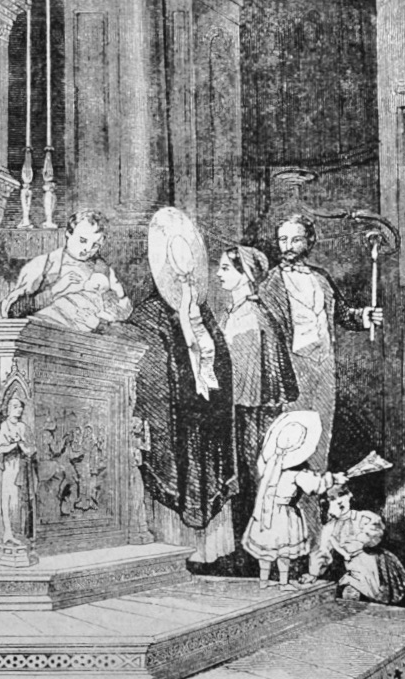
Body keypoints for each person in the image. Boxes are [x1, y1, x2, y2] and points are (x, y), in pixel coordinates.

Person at [129, 207, 236, 565]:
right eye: (177, 266)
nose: (185, 275)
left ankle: (207, 553)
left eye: (189, 266)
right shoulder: (149, 315)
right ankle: (174, 550)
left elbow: (220, 362)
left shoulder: (204, 313)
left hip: (205, 418)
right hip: (175, 419)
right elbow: (152, 372)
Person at [258, 214, 381, 476]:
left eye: (295, 239)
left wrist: (365, 316)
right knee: (294, 433)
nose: (288, 246)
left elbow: (342, 313)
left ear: (310, 241)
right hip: (293, 365)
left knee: (322, 428)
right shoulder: (270, 284)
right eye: (283, 239)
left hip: (324, 363)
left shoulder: (321, 277)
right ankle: (289, 494)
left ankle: (317, 489)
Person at [215, 245, 298, 547]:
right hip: (238, 409)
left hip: (250, 411)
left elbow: (246, 379)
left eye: (226, 268)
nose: (218, 273)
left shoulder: (252, 316)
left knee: (255, 473)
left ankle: (259, 543)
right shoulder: (235, 311)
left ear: (246, 274)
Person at [242, 410, 331, 587]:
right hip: (285, 515)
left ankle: (264, 581)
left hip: (265, 513)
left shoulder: (268, 465)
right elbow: (316, 486)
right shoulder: (295, 473)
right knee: (283, 552)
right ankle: (283, 583)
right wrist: (333, 479)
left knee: (266, 549)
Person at [3, 211, 132, 332]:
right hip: (44, 334)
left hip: (85, 341)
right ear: (69, 233)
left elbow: (121, 315)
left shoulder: (104, 271)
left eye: (95, 245)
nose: (87, 249)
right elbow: (14, 311)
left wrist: (99, 323)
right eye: (83, 240)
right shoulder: (44, 264)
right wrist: (56, 290)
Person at [305, 479, 405, 603]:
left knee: (380, 599)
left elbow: (376, 536)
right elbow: (323, 551)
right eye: (332, 499)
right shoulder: (329, 528)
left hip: (376, 565)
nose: (339, 501)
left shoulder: (364, 517)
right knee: (350, 594)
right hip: (354, 568)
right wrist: (314, 573)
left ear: (350, 495)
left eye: (342, 495)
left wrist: (365, 539)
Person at [0, 395, 33, 548]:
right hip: (9, 467)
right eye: (15, 407)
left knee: (18, 501)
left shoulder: (23, 427)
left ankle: (17, 533)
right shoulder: (4, 425)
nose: (19, 410)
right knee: (8, 498)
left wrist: (22, 445)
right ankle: (8, 532)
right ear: (9, 409)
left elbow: (31, 449)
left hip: (21, 467)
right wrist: (13, 445)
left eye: (20, 407)